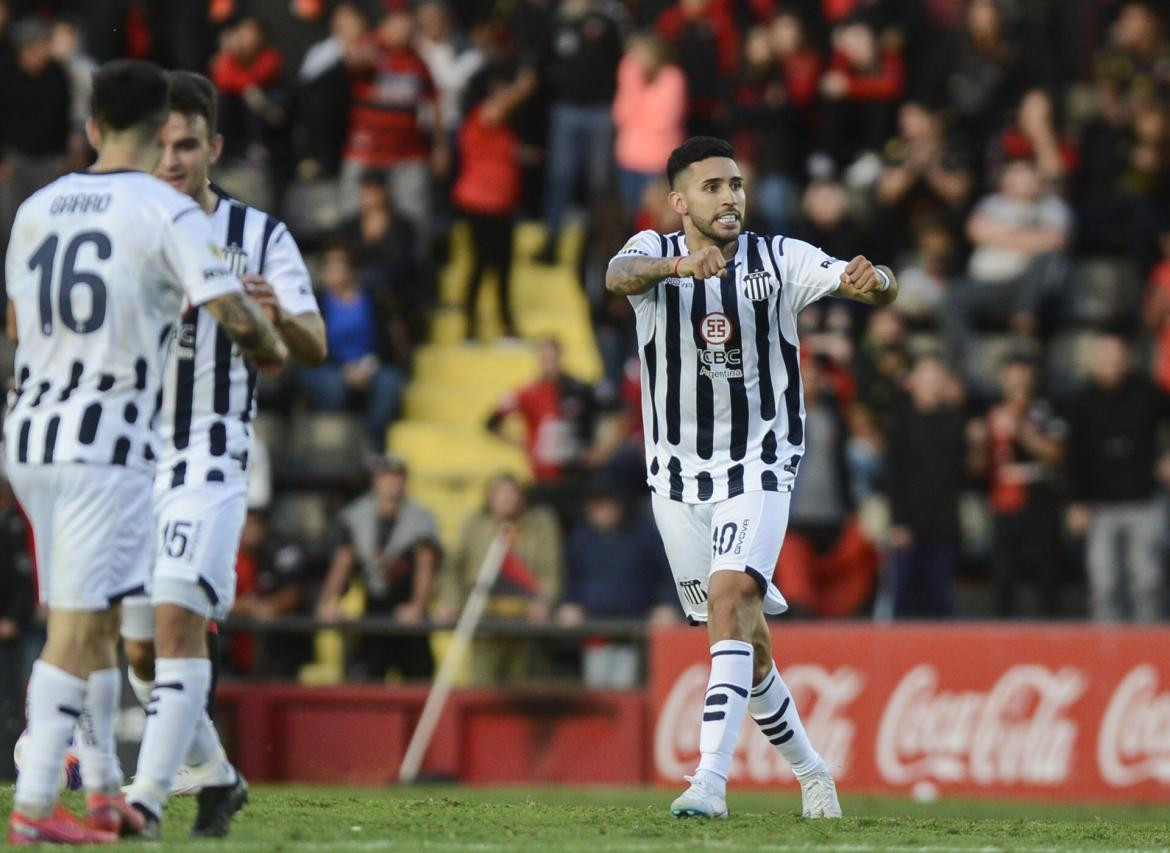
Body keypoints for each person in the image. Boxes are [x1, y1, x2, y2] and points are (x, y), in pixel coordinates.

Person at [4, 59, 287, 845]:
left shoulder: (37, 206)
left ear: (92, 127)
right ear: (157, 123)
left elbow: (17, 328)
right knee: (78, 625)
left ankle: (100, 794)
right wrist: (266, 337)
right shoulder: (165, 211)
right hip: (106, 440)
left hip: (29, 431)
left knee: (85, 619)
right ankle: (33, 806)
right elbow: (229, 313)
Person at [606, 136, 898, 820]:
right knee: (747, 643)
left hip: (760, 463)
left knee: (733, 592)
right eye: (712, 187)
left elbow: (879, 283)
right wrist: (680, 266)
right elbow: (618, 276)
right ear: (680, 202)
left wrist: (873, 280)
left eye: (735, 184)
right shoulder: (652, 251)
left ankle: (710, 778)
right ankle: (813, 769)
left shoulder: (780, 257)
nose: (730, 196)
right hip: (676, 478)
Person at [118, 70, 324, 840]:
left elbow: (314, 340)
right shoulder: (124, 229)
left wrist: (276, 317)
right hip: (130, 456)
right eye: (160, 145)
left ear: (215, 147)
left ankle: (141, 800)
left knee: (176, 619)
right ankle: (220, 775)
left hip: (211, 452)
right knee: (139, 648)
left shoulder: (263, 236)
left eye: (187, 144)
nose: (172, 160)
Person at [1065, 334, 1170, 622]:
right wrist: (1076, 502)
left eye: (1116, 356)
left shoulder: (1147, 392)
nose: (1110, 363)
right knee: (1104, 586)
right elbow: (1075, 456)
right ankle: (1107, 657)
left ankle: (1150, 654)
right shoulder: (1083, 400)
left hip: (1144, 501)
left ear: (1127, 358)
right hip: (1101, 506)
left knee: (1148, 583)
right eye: (1104, 356)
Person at [315, 455, 441, 681]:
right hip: (374, 608)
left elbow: (425, 563)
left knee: (419, 678)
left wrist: (418, 605)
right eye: (385, 477)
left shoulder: (420, 517)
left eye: (396, 477)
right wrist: (328, 601)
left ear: (404, 481)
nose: (391, 483)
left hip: (406, 607)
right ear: (376, 481)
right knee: (364, 677)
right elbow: (343, 561)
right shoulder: (357, 515)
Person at [967, 345, 1067, 618]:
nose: (1018, 378)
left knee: (1046, 575)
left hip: (1040, 496)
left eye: (1024, 371)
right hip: (1003, 500)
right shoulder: (989, 411)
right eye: (1012, 371)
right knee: (1003, 576)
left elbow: (1057, 454)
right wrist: (977, 443)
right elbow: (977, 469)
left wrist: (1020, 429)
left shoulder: (1046, 409)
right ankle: (1003, 639)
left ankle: (1051, 637)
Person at [435, 473, 562, 684]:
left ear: (522, 497)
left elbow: (550, 570)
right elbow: (452, 569)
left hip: (527, 622)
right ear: (489, 497)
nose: (507, 498)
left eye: (513, 492)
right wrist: (449, 602)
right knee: (484, 687)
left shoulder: (540, 524)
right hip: (485, 618)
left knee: (528, 689)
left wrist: (544, 602)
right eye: (501, 492)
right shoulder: (474, 524)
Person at [557, 477, 678, 688]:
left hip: (636, 632)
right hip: (595, 631)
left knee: (628, 690)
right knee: (598, 694)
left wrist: (668, 605)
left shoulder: (644, 532)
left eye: (607, 504)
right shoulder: (581, 537)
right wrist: (569, 603)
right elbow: (571, 578)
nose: (602, 511)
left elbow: (670, 573)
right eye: (596, 506)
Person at [885, 353, 966, 618]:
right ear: (913, 383)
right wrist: (899, 522)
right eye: (926, 379)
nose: (931, 385)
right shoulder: (900, 424)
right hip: (908, 525)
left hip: (943, 523)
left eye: (936, 379)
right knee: (904, 597)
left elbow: (963, 474)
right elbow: (894, 477)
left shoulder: (955, 422)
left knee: (939, 598)